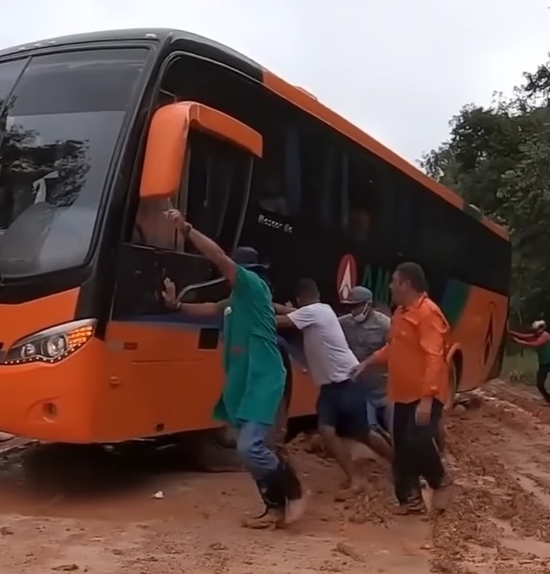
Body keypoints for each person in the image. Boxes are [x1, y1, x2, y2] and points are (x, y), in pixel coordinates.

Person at [161, 208, 305, 527]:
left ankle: (292, 490)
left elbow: (218, 257)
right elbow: (212, 308)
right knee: (249, 451)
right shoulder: (237, 300)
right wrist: (177, 306)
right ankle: (274, 508)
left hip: (264, 377)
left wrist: (187, 229)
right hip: (242, 382)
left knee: (250, 447)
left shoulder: (251, 285)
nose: (229, 273)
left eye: (234, 268)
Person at [353, 261, 455, 515]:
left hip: (424, 395)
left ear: (406, 284)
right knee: (403, 448)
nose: (390, 286)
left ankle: (440, 481)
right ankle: (410, 500)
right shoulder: (401, 312)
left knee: (418, 441)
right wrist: (368, 362)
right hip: (401, 394)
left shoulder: (428, 314)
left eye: (394, 281)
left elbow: (433, 356)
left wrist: (427, 399)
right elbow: (395, 348)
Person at [275, 279, 393, 499]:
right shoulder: (322, 311)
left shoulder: (314, 312)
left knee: (363, 433)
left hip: (347, 383)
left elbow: (279, 321)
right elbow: (292, 312)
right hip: (331, 386)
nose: (352, 310)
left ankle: (399, 465)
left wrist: (249, 312)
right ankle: (357, 480)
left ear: (301, 299)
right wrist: (274, 304)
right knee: (327, 431)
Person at [338, 286, 391, 435]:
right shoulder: (344, 323)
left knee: (395, 428)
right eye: (350, 306)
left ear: (368, 304)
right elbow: (323, 321)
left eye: (357, 306)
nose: (353, 310)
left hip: (383, 391)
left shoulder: (385, 325)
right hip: (360, 390)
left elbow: (395, 352)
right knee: (369, 429)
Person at [511, 320, 550, 405]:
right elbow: (524, 336)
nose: (538, 331)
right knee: (540, 384)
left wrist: (520, 342)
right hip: (543, 364)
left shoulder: (545, 336)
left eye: (539, 329)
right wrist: (511, 333)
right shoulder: (536, 335)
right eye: (536, 329)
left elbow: (536, 344)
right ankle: (548, 400)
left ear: (542, 328)